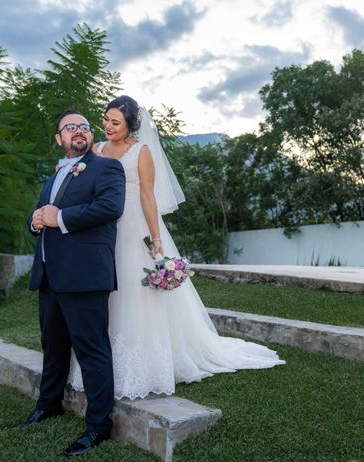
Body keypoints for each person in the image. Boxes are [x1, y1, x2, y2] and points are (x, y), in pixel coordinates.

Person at [68, 96, 284, 400]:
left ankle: (142, 365)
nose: (107, 126)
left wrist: (156, 240)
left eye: (115, 122)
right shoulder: (97, 150)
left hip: (134, 227)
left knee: (135, 291)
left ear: (130, 125)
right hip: (103, 227)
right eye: (105, 120)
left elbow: (147, 196)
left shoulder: (140, 152)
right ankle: (101, 361)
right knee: (106, 291)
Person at [17, 109, 126, 458]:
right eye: (70, 127)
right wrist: (35, 222)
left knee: (92, 351)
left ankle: (98, 427)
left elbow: (110, 207)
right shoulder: (52, 178)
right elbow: (39, 217)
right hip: (50, 276)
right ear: (59, 138)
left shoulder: (106, 167)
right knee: (53, 346)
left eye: (84, 126)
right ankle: (48, 405)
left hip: (84, 275)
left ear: (90, 135)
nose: (78, 131)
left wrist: (58, 217)